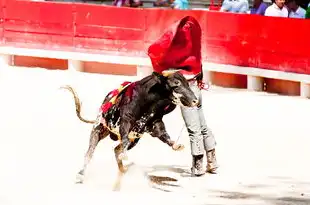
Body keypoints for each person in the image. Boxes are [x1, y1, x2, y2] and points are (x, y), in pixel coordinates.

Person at [147, 16, 218, 176]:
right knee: (202, 125)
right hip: (196, 88)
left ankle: (198, 165)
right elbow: (200, 67)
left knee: (194, 129)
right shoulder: (194, 48)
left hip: (185, 91)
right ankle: (212, 161)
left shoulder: (175, 50)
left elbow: (157, 53)